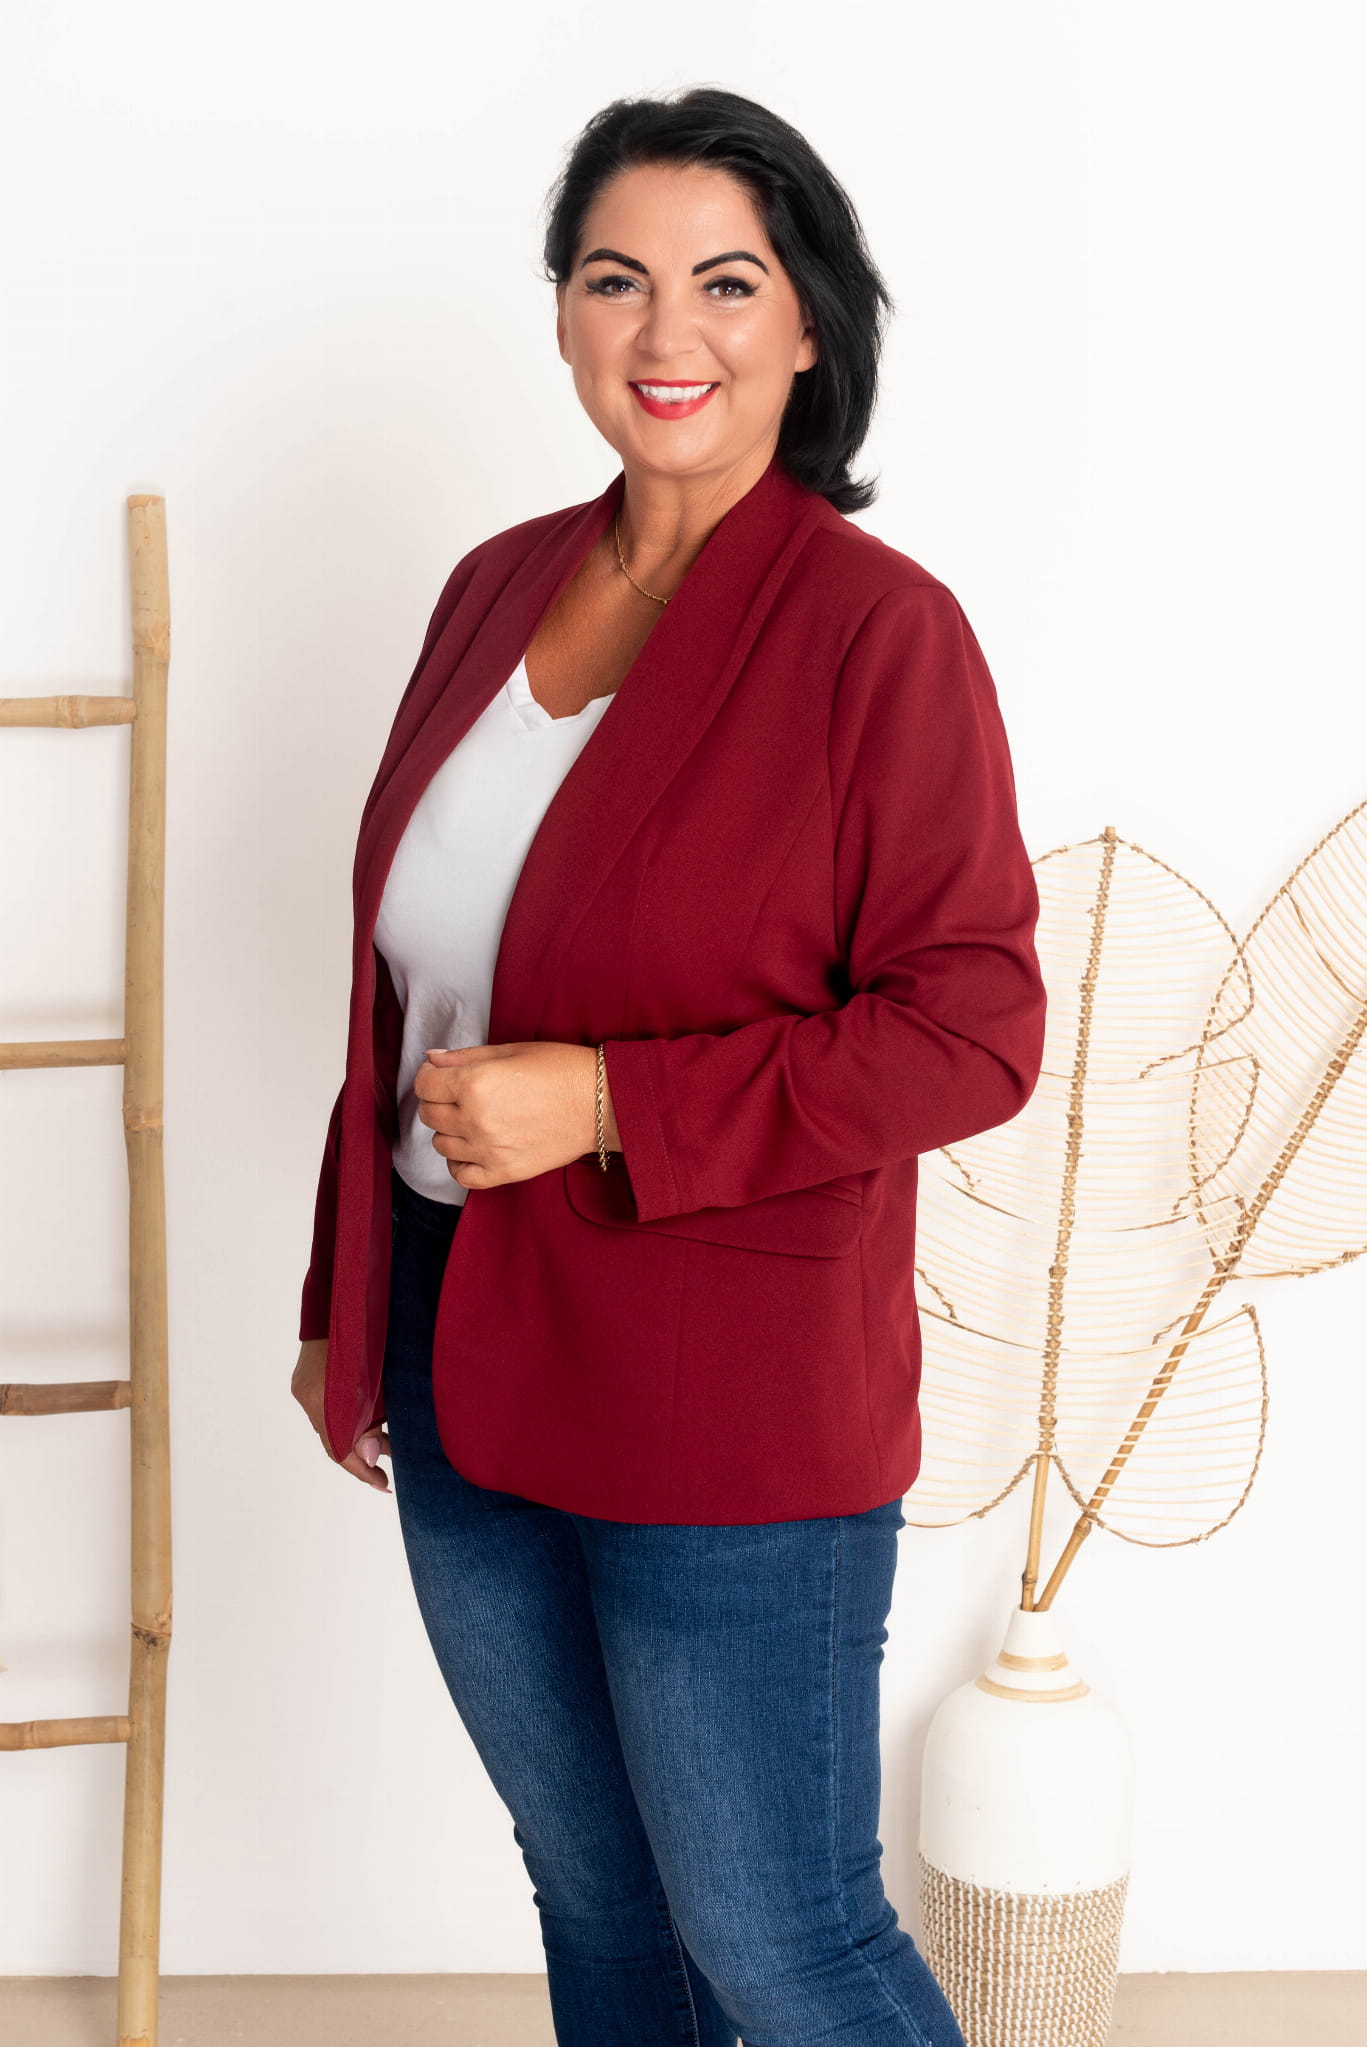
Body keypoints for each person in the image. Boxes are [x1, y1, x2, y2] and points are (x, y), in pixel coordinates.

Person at [291, 85, 1045, 2047]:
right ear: (562, 315)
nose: (664, 331)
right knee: (601, 1905)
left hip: (726, 1388)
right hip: (453, 1334)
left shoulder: (880, 638)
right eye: (615, 279)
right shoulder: (492, 589)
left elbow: (972, 1028)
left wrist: (613, 1102)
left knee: (782, 1938)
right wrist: (343, 1298)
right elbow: (410, 979)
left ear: (808, 325)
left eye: (726, 282)